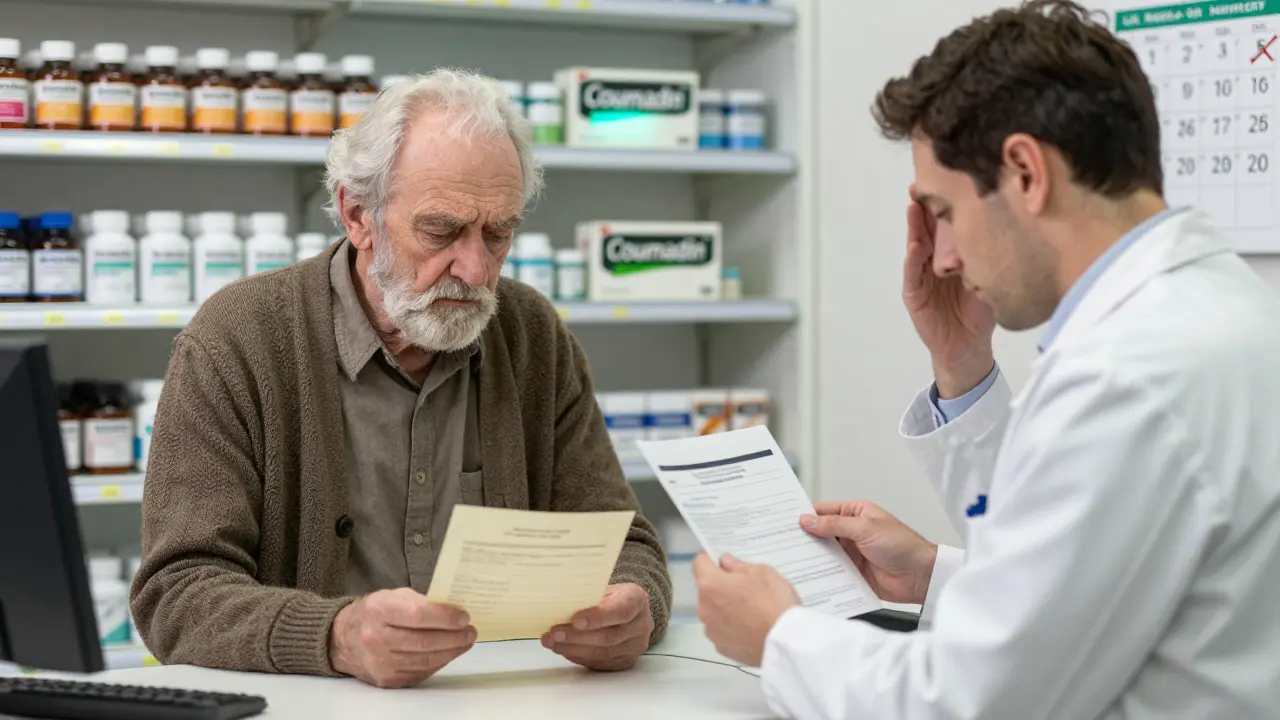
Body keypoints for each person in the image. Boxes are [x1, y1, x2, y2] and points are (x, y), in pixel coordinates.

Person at [692, 1, 1280, 717]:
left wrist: (778, 635)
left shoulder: (1130, 374)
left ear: (1027, 173)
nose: (940, 256)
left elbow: (971, 701)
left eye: (942, 212)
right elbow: (1085, 584)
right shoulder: (1210, 308)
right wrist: (936, 570)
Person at [130, 69, 671, 689]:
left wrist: (636, 604)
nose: (473, 268)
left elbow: (624, 543)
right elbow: (175, 594)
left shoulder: (530, 337)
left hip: (503, 701)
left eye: (499, 235)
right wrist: (336, 637)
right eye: (441, 230)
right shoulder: (239, 340)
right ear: (357, 215)